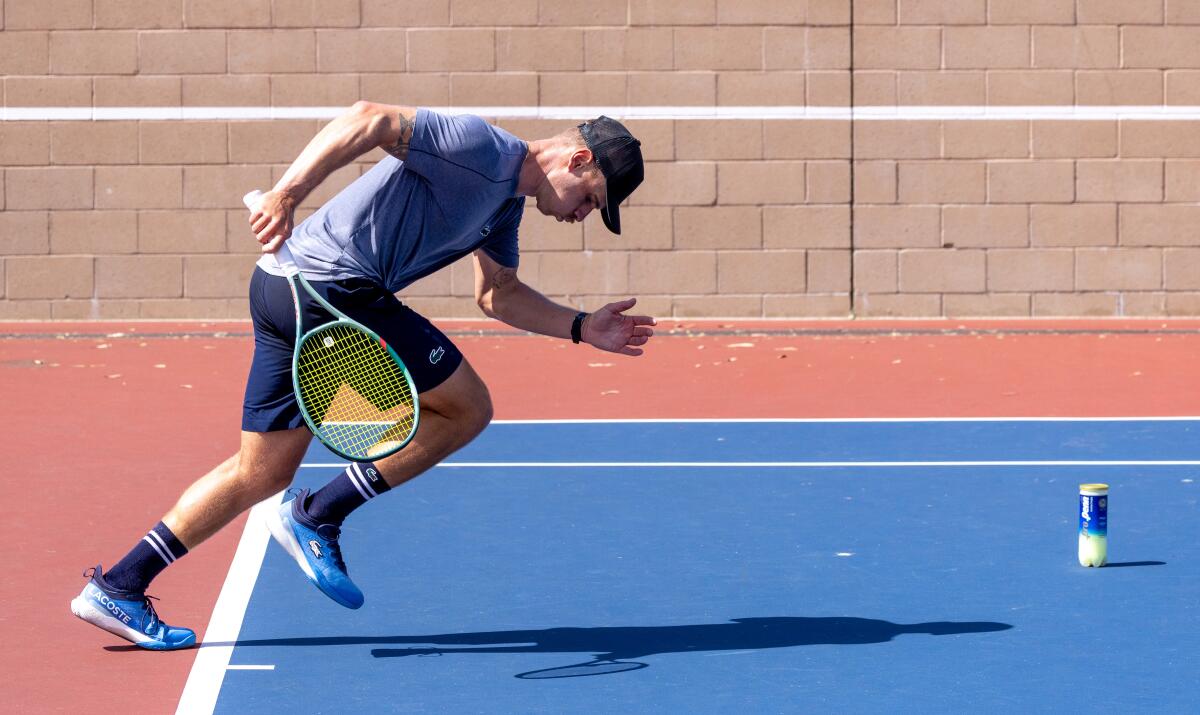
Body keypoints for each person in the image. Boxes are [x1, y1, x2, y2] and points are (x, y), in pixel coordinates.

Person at [70, 102, 654, 650]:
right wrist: (285, 194)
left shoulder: (503, 206)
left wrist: (581, 327)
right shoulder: (483, 150)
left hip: (285, 286)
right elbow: (369, 118)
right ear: (579, 161)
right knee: (468, 408)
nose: (581, 216)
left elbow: (498, 295)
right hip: (329, 286)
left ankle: (118, 587)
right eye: (590, 199)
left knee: (261, 470)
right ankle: (316, 514)